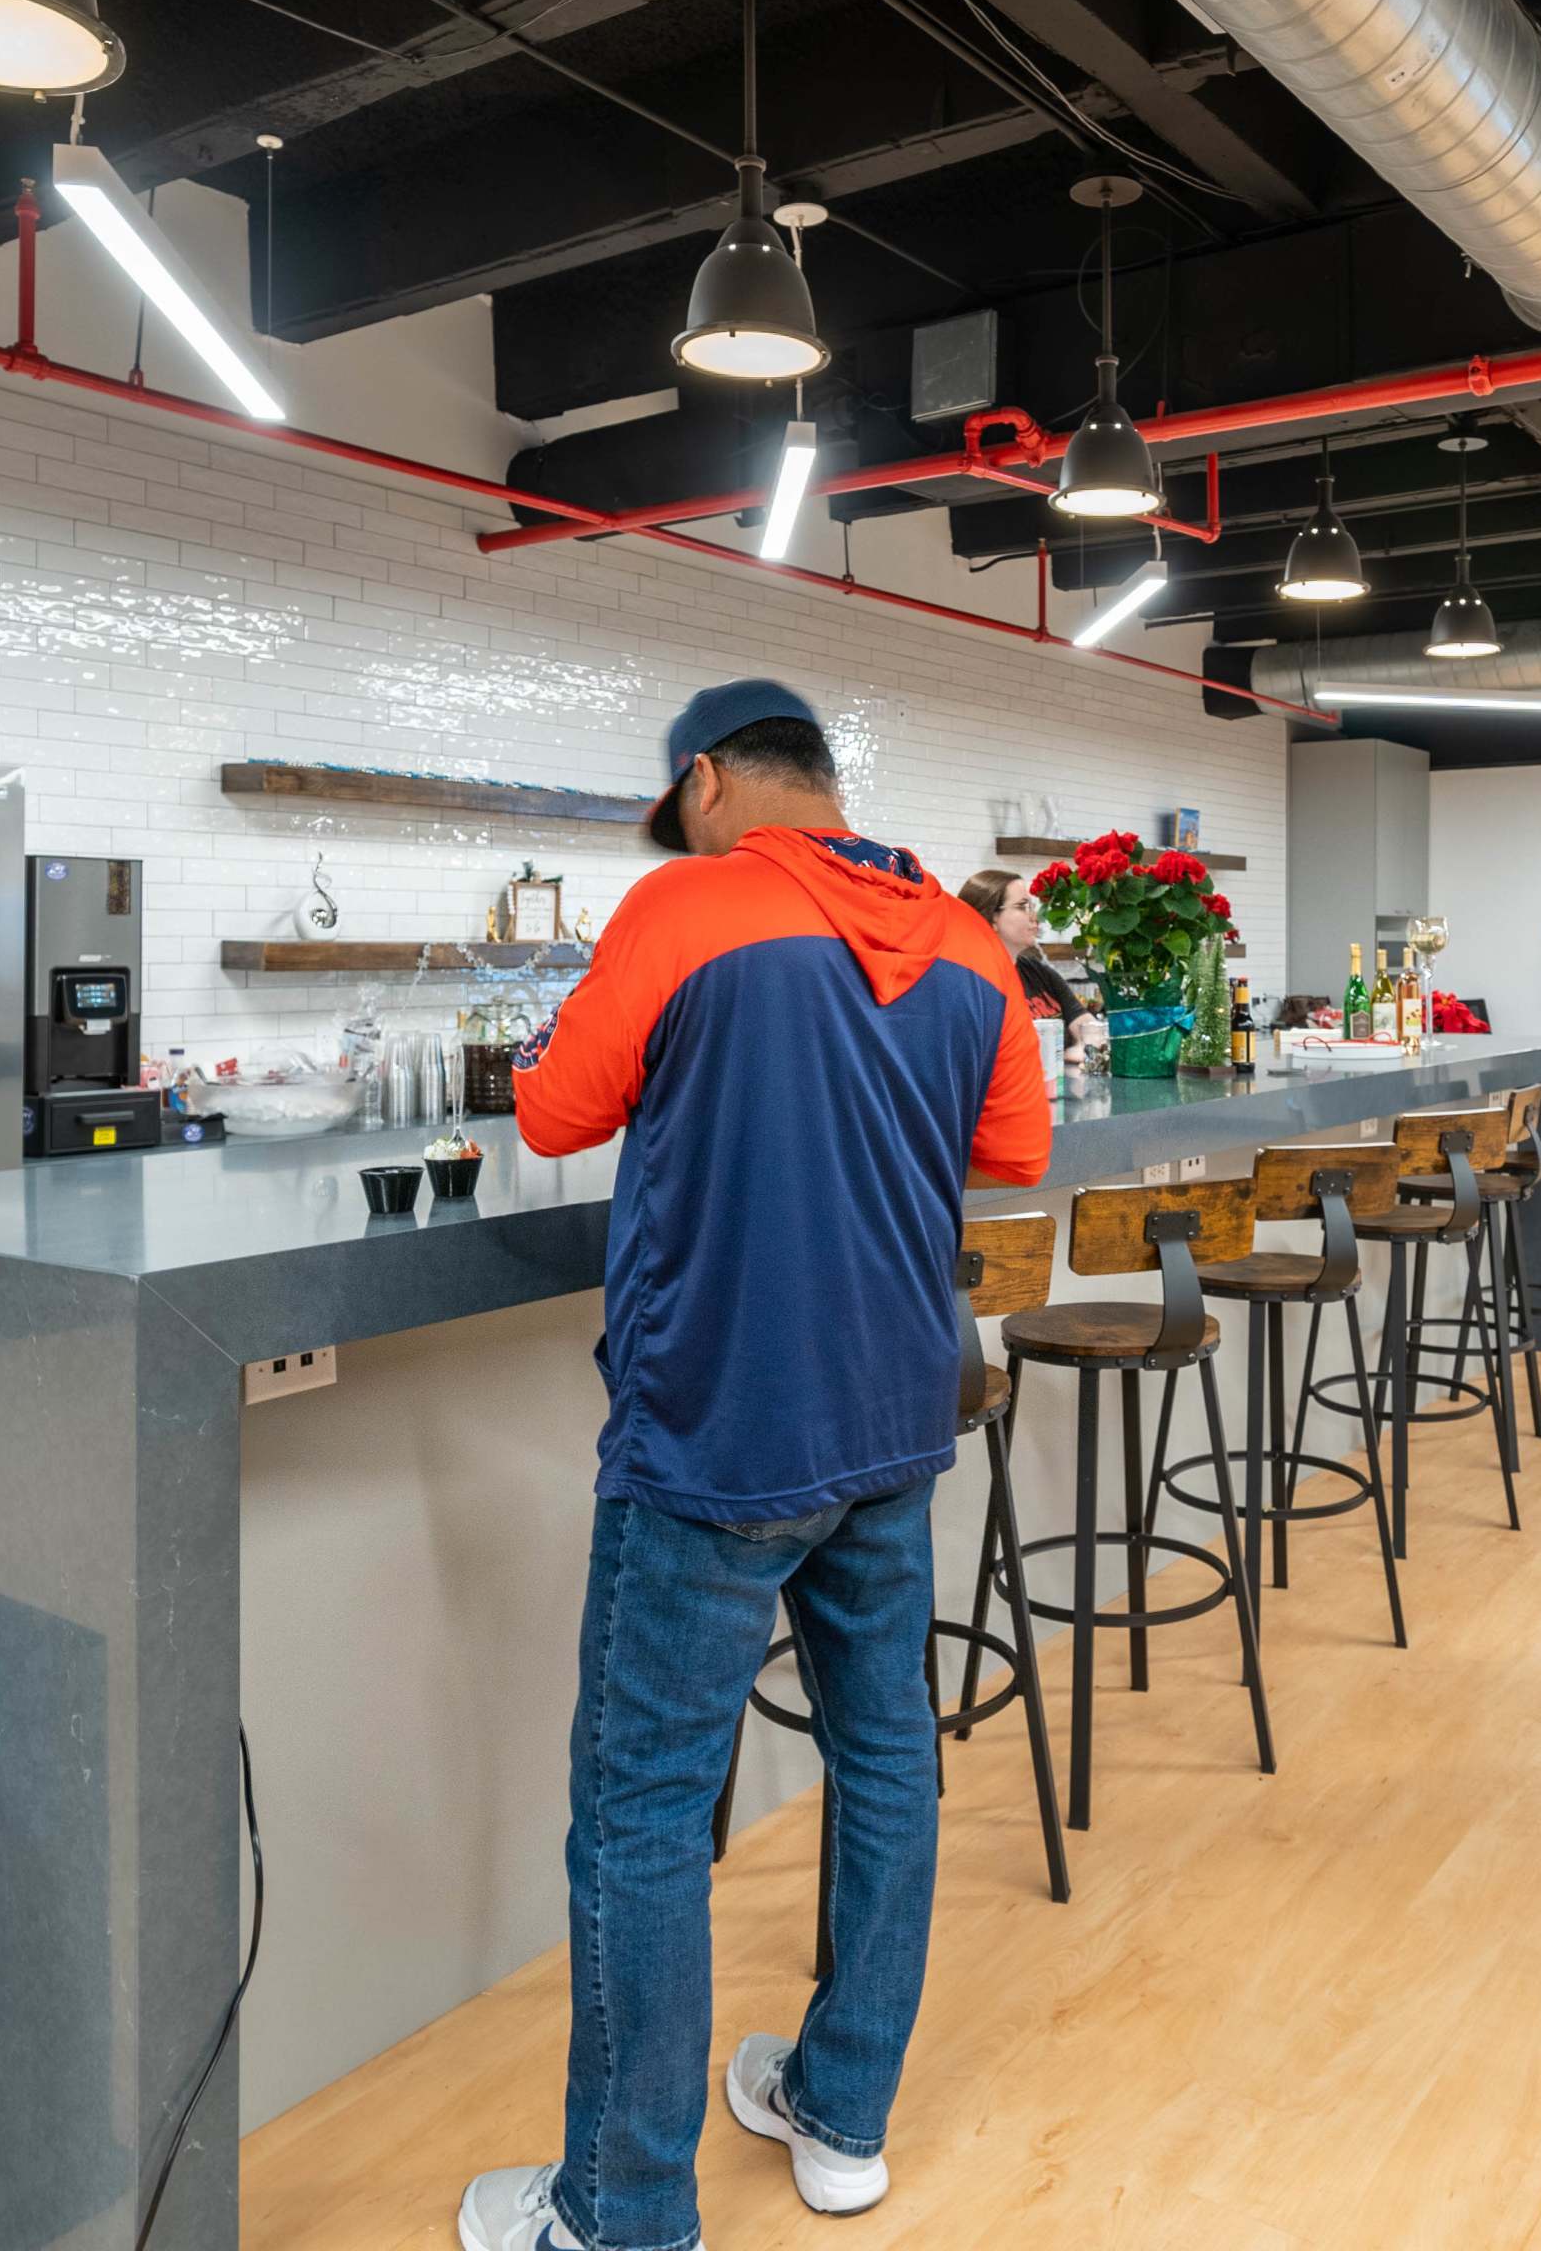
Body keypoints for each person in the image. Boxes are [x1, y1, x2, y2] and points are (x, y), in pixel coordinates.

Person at [469, 679, 1053, 2251]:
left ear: (711, 781)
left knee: (643, 1814)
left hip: (717, 1426)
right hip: (893, 1418)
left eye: (681, 804)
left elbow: (553, 1102)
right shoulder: (967, 937)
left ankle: (626, 2208)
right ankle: (839, 2113)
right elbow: (1016, 1151)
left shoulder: (686, 907)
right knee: (886, 1762)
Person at [961, 865, 1101, 1065]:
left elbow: (1087, 1026)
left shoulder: (1036, 970)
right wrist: (1065, 1056)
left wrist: (1083, 1047)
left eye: (1032, 907)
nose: (1034, 917)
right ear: (991, 917)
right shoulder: (970, 981)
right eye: (1022, 906)